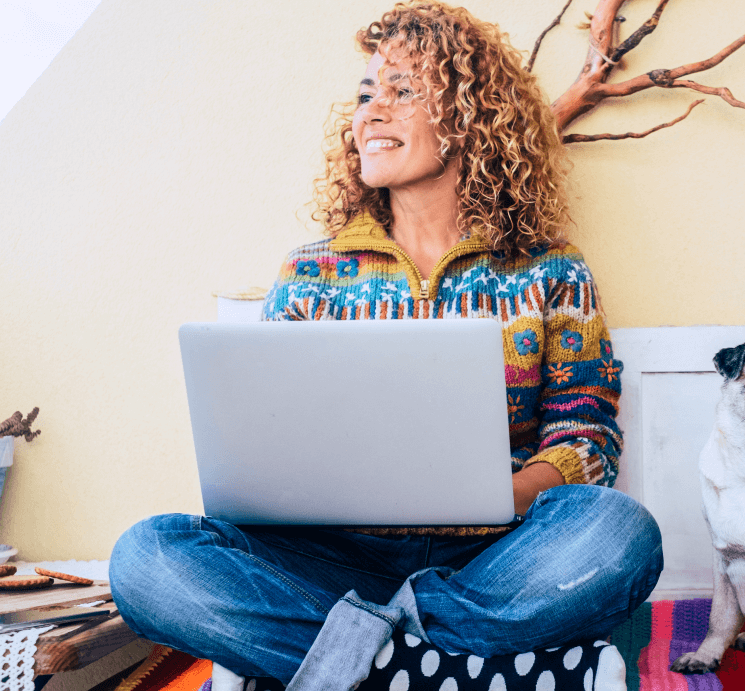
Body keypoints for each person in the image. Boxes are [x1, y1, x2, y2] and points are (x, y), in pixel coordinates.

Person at [109, 3, 663, 690]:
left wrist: (500, 495)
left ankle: (348, 658)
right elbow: (271, 445)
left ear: (468, 115)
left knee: (619, 535)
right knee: (147, 558)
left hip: (494, 558)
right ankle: (429, 668)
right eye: (367, 94)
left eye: (401, 91)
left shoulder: (551, 269)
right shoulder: (310, 273)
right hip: (333, 556)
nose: (369, 112)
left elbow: (587, 436)